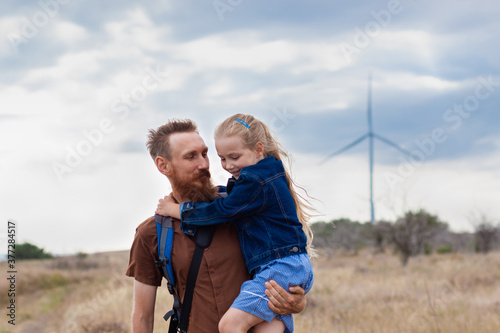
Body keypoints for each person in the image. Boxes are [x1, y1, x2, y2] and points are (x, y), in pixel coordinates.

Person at [126, 119, 307, 333]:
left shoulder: (243, 207)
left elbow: (285, 265)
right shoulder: (152, 233)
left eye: (204, 154)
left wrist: (296, 302)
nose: (204, 164)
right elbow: (143, 317)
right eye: (191, 156)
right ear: (163, 165)